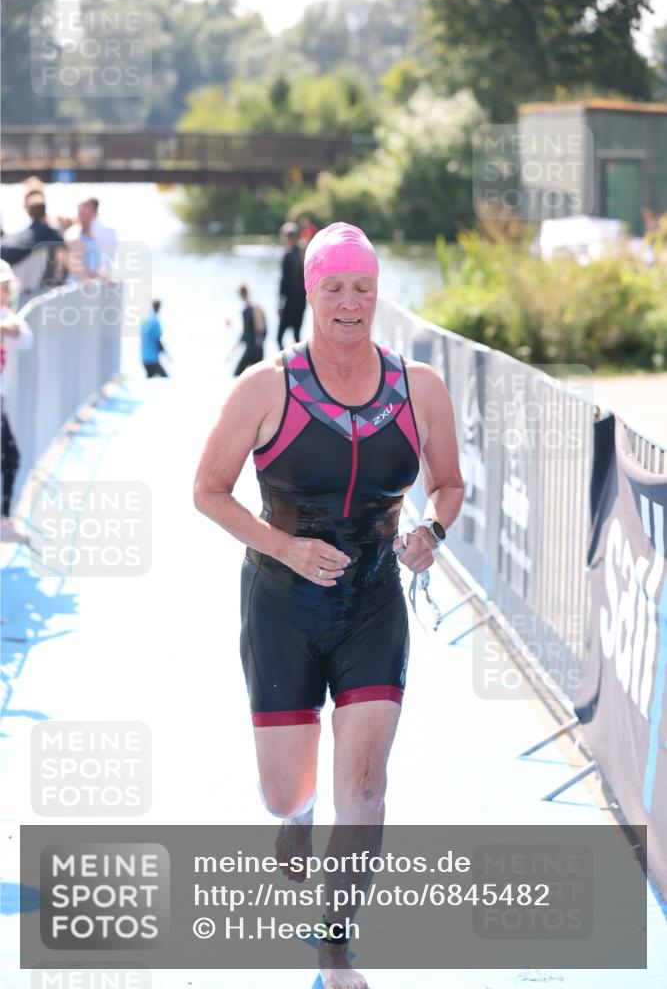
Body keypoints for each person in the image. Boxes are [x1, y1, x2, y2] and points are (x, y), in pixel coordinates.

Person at [193, 222, 464, 989]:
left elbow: (448, 483)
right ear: (310, 292)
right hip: (281, 603)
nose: (350, 302)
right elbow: (207, 490)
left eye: (363, 288)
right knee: (287, 787)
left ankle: (335, 944)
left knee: (367, 787)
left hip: (372, 602)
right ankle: (295, 813)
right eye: (334, 287)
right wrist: (284, 548)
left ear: (378, 293)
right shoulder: (265, 387)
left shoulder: (418, 387)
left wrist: (431, 531)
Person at [0, 259, 33, 545]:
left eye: (7, 286)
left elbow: (25, 339)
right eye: (2, 286)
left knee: (11, 458)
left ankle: (3, 520)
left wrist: (11, 328)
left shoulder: (6, 315)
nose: (6, 292)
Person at [0, 192, 66, 303]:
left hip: (17, 293)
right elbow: (63, 261)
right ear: (45, 211)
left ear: (29, 213)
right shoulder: (52, 234)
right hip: (39, 293)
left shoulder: (14, 239)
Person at [277, 221, 307, 349]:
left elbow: (284, 281)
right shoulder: (303, 254)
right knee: (297, 336)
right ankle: (301, 361)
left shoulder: (288, 255)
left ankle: (286, 361)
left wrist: (280, 302)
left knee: (279, 338)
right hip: (301, 302)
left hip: (290, 302)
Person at [228, 284, 266, 376]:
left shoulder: (248, 310)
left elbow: (247, 333)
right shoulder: (257, 307)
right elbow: (263, 330)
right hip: (259, 349)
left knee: (237, 374)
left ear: (241, 295)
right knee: (256, 377)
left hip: (251, 350)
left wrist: (233, 350)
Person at [141, 299, 169, 378]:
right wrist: (166, 353)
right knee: (165, 378)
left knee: (150, 376)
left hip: (144, 357)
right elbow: (157, 339)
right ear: (159, 307)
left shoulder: (145, 320)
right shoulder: (155, 321)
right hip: (152, 358)